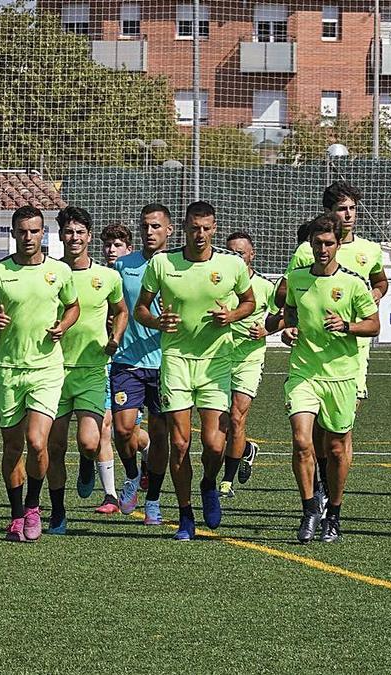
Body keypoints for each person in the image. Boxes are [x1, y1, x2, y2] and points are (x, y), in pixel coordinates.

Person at [135, 202, 254, 540]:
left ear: (214, 228)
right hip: (175, 362)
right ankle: (186, 513)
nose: (200, 234)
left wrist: (232, 316)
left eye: (206, 228)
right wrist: (157, 321)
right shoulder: (162, 264)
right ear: (183, 228)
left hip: (216, 362)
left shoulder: (231, 265)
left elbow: (250, 302)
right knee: (180, 442)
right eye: (194, 227)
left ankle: (208, 484)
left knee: (215, 445)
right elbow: (141, 307)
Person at [276, 182, 387, 512]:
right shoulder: (303, 256)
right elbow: (287, 299)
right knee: (308, 436)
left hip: (350, 357)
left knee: (337, 437)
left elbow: (378, 284)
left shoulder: (368, 253)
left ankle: (331, 493)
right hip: (308, 361)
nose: (349, 214)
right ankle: (317, 492)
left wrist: (369, 302)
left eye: (353, 207)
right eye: (342, 208)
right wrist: (287, 324)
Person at [0, 205, 79, 542]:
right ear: (13, 233)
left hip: (47, 369)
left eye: (35, 231)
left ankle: (34, 506)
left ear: (42, 234)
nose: (29, 237)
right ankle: (16, 514)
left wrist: (63, 325)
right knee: (12, 447)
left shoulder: (59, 272)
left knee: (37, 442)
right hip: (8, 369)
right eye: (22, 231)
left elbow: (73, 306)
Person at [47, 207, 127, 533]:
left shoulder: (108, 277)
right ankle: (57, 512)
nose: (74, 238)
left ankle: (87, 460)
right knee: (53, 447)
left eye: (80, 232)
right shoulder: (49, 272)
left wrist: (115, 338)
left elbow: (121, 311)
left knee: (91, 442)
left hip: (92, 369)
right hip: (51, 371)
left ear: (89, 236)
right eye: (69, 232)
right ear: (61, 236)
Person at [110, 204, 173, 526]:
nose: (150, 232)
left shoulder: (177, 266)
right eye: (145, 226)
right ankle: (133, 475)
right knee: (122, 429)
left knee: (161, 436)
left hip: (167, 364)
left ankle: (153, 500)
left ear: (169, 231)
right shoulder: (123, 265)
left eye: (156, 226)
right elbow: (115, 306)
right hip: (127, 360)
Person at [78, 222, 134, 511]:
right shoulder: (97, 276)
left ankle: (144, 462)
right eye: (108, 245)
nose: (111, 250)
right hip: (100, 361)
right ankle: (110, 494)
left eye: (118, 245)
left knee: (131, 433)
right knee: (104, 426)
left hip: (133, 362)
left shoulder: (135, 274)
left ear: (129, 249)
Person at [219, 232, 278, 497]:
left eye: (241, 253)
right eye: (231, 253)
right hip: (218, 357)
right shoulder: (219, 284)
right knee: (218, 427)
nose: (236, 258)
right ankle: (246, 450)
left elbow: (286, 314)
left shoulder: (265, 286)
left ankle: (226, 482)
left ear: (252, 255)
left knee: (236, 416)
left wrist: (267, 330)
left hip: (248, 360)